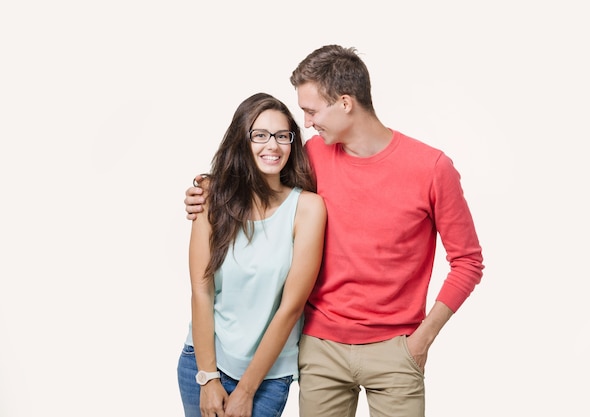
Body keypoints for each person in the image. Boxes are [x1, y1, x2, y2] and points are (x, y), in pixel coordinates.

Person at [184, 45, 484, 417]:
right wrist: (207, 190)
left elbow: (468, 262)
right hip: (320, 348)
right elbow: (258, 179)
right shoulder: (313, 156)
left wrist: (423, 339)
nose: (306, 123)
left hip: (397, 349)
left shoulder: (432, 167)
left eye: (311, 111)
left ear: (345, 103)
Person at [177, 92, 327, 417]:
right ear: (241, 140)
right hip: (202, 364)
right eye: (260, 135)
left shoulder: (307, 209)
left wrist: (246, 389)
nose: (272, 146)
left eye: (282, 136)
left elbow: (291, 307)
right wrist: (208, 378)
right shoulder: (209, 196)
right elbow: (201, 292)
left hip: (268, 376)